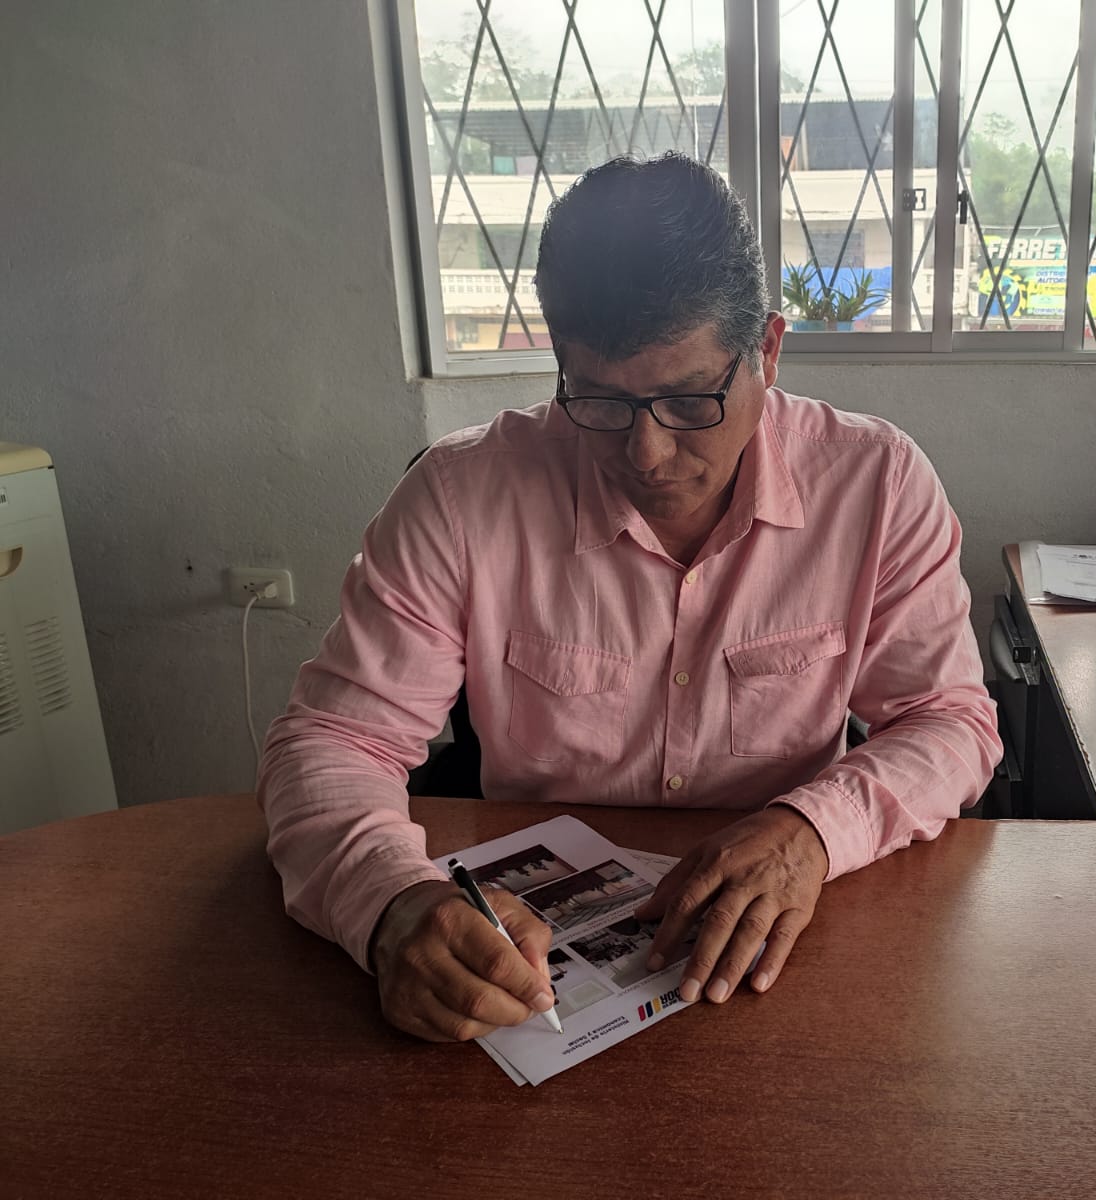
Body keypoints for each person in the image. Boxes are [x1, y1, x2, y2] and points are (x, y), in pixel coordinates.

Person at [257, 152, 1001, 1043]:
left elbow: (951, 720)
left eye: (688, 401)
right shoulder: (460, 498)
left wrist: (813, 829)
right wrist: (390, 903)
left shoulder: (875, 485)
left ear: (766, 351)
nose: (645, 456)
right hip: (536, 968)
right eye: (601, 401)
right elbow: (336, 738)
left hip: (786, 941)